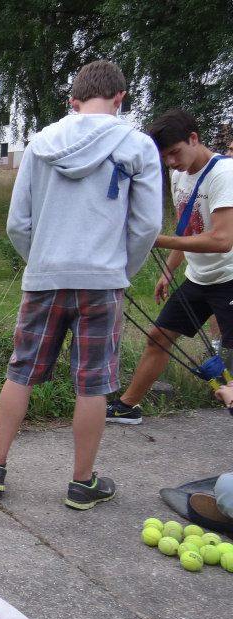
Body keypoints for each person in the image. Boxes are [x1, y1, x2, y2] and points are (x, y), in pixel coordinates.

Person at [0, 60, 162, 509]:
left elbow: (18, 223)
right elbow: (147, 225)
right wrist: (121, 270)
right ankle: (81, 483)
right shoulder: (138, 146)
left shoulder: (40, 143)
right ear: (120, 98)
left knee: (21, 370)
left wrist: (41, 261)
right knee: (93, 382)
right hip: (102, 282)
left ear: (73, 101)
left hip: (45, 276)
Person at [106, 109, 233, 424]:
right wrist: (169, 270)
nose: (170, 162)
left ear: (194, 138)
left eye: (174, 152)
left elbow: (222, 240)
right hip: (199, 278)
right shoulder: (180, 175)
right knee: (158, 336)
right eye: (164, 157)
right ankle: (127, 406)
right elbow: (187, 229)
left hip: (229, 278)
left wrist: (154, 240)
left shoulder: (225, 174)